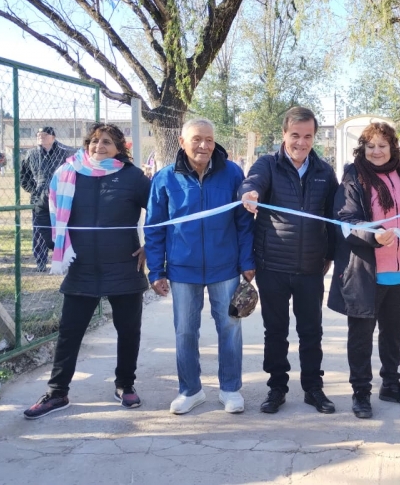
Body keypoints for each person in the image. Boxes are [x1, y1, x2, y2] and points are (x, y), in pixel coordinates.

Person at [23, 124, 151, 419]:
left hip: (124, 266)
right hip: (80, 267)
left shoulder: (133, 178)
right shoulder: (68, 173)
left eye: (107, 142)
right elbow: (43, 210)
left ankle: (125, 385)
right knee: (70, 332)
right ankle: (57, 393)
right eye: (94, 141)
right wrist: (57, 243)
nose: (98, 146)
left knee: (128, 331)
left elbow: (160, 211)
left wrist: (150, 247)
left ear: (120, 148)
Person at [145, 118, 255, 415]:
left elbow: (243, 221)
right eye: (197, 139)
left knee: (230, 327)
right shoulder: (165, 178)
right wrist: (156, 270)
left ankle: (230, 389)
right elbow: (154, 227)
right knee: (185, 331)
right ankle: (190, 390)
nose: (204, 145)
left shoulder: (232, 173)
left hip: (225, 267)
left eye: (209, 139)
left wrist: (247, 262)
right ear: (182, 142)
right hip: (182, 269)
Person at [328, 122, 400, 419]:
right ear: (363, 148)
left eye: (382, 145)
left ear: (392, 147)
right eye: (370, 145)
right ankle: (361, 391)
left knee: (393, 332)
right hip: (368, 270)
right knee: (361, 334)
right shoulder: (353, 176)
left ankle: (391, 383)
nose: (376, 151)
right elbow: (346, 219)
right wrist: (372, 235)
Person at [240, 107, 339, 415]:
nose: (301, 142)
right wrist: (250, 193)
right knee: (276, 331)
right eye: (295, 135)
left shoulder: (324, 171)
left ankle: (313, 388)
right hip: (273, 267)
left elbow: (335, 216)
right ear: (284, 135)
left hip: (311, 268)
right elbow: (251, 182)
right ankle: (277, 388)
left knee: (311, 331)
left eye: (308, 136)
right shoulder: (268, 165)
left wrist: (331, 255)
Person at [21, 126, 71, 271]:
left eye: (45, 134)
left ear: (53, 137)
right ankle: (40, 262)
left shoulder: (64, 153)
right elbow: (23, 176)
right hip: (39, 198)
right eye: (38, 135)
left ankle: (62, 257)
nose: (41, 136)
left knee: (62, 226)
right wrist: (34, 190)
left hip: (60, 198)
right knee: (39, 230)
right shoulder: (31, 154)